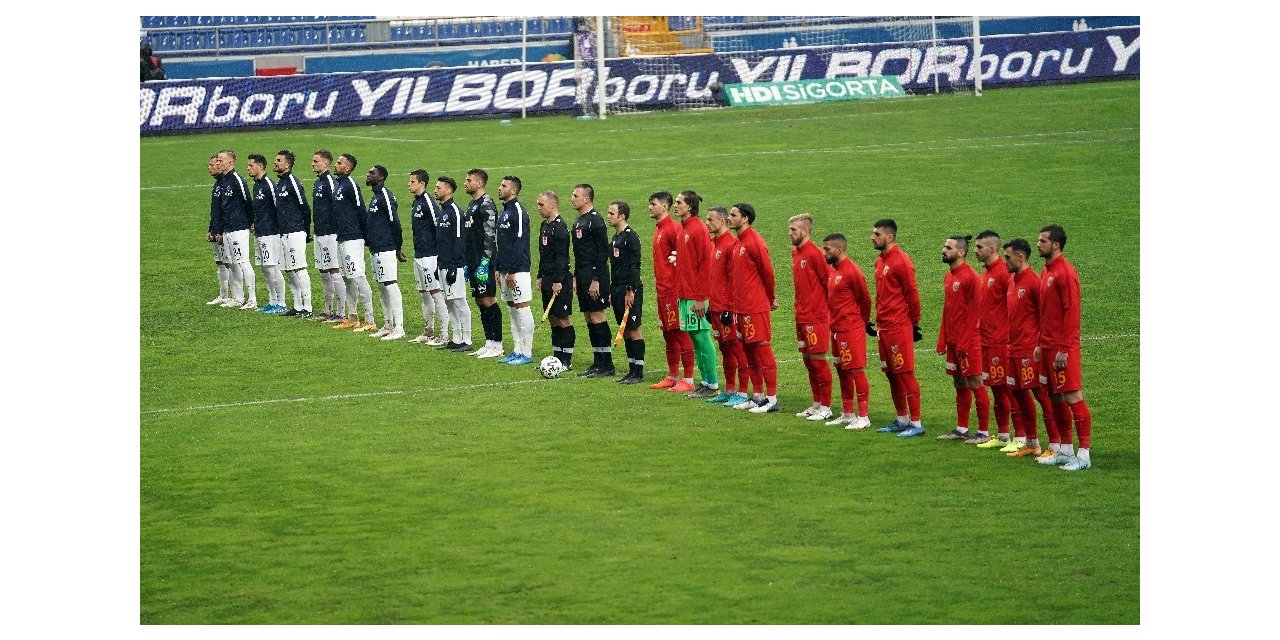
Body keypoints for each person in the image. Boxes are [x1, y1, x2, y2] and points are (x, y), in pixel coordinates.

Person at [1035, 224, 1093, 471]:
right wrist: (1040, 342)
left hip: (1062, 347)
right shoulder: (1046, 271)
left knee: (1072, 395)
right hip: (1047, 345)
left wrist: (1063, 348)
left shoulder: (1065, 272)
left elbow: (1072, 312)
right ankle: (1065, 449)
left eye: (1043, 241)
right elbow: (1045, 313)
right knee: (1055, 396)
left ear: (1055, 245)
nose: (1038, 244)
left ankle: (1084, 454)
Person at [933, 235, 991, 443]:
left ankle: (984, 432)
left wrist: (965, 342)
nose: (943, 250)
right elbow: (947, 311)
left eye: (948, 247)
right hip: (954, 341)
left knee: (976, 382)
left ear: (961, 252)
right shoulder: (949, 277)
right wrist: (943, 339)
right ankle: (962, 428)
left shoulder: (970, 277)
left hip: (969, 342)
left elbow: (976, 312)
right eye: (944, 246)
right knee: (959, 383)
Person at [870, 219, 925, 437]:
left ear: (889, 237)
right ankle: (902, 419)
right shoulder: (880, 261)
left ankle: (917, 423)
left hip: (898, 326)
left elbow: (912, 294)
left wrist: (914, 323)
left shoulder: (901, 261)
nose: (872, 237)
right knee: (891, 374)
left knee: (905, 373)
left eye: (877, 234)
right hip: (883, 326)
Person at [1002, 238, 1057, 458]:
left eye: (1007, 257)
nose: (1004, 261)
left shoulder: (1034, 282)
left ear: (1020, 257)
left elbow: (1046, 315)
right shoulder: (1012, 281)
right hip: (1013, 348)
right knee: (1018, 393)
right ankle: (1032, 443)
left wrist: (1039, 344)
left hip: (1029, 350)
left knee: (1040, 395)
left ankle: (1055, 444)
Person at [727, 203, 780, 414]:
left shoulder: (754, 241)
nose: (729, 218)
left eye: (733, 215)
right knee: (748, 351)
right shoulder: (739, 242)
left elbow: (767, 272)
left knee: (761, 349)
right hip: (740, 307)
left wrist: (770, 297)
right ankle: (757, 395)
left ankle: (772, 398)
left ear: (746, 218)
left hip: (754, 306)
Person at [820, 233, 874, 429]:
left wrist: (863, 322)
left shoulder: (852, 271)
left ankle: (864, 417)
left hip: (851, 328)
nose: (824, 253)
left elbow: (865, 299)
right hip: (836, 328)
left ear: (839, 249)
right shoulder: (834, 271)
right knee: (841, 370)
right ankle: (848, 412)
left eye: (827, 249)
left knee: (855, 371)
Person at [973, 230, 1017, 451]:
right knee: (996, 389)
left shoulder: (1002, 272)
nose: (975, 251)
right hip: (987, 340)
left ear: (992, 249)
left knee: (1005, 390)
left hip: (1000, 341)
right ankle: (1002, 435)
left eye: (979, 247)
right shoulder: (987, 272)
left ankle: (1019, 437)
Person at [788, 213, 834, 422]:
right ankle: (816, 404)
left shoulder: (815, 254)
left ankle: (826, 406)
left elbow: (829, 283)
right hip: (802, 316)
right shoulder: (796, 253)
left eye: (793, 230)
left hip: (816, 317)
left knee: (818, 362)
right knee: (808, 361)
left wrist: (827, 311)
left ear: (805, 232)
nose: (790, 234)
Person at [673, 190, 719, 398]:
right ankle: (705, 382)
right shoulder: (684, 228)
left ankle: (712, 383)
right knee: (694, 337)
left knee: (702, 337)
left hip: (696, 296)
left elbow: (706, 265)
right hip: (685, 294)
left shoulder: (698, 229)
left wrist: (701, 298)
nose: (675, 205)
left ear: (689, 206)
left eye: (679, 202)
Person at [647, 191, 695, 390]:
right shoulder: (659, 229)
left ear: (664, 206)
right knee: (668, 333)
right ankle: (673, 375)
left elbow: (687, 256)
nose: (649, 207)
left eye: (653, 204)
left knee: (679, 332)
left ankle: (689, 380)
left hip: (674, 291)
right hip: (662, 290)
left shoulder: (673, 229)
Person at [705, 206, 749, 406]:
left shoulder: (730, 245)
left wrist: (729, 308)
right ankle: (729, 389)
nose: (707, 223)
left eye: (710, 219)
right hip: (716, 307)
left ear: (721, 221)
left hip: (726, 309)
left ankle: (742, 392)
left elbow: (734, 280)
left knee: (736, 349)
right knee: (724, 349)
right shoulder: (716, 244)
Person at [570, 184, 615, 378]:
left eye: (576, 195)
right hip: (582, 274)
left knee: (598, 316)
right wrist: (575, 276)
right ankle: (598, 361)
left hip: (595, 276)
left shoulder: (595, 221)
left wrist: (596, 279)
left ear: (587, 199)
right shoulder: (580, 220)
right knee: (589, 317)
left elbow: (602, 252)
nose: (572, 198)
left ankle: (607, 364)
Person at [331, 153, 376, 332]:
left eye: (339, 163)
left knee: (357, 276)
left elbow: (361, 210)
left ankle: (370, 319)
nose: (336, 165)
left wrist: (366, 236)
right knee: (347, 278)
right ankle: (352, 317)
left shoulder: (350, 185)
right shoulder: (339, 185)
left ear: (347, 168)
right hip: (341, 237)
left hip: (353, 237)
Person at [494, 176, 534, 365]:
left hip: (517, 270)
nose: (500, 188)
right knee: (512, 309)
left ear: (514, 191)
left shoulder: (518, 211)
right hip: (505, 269)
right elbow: (500, 243)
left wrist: (510, 271)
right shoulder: (504, 212)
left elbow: (520, 243)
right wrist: (497, 267)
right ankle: (517, 350)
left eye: (504, 186)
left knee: (522, 308)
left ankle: (526, 352)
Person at [463, 169, 503, 356]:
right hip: (473, 260)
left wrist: (485, 262)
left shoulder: (486, 204)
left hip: (483, 262)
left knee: (488, 300)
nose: (465, 183)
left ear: (479, 183)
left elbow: (490, 234)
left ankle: (497, 345)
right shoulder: (472, 204)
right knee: (480, 301)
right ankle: (489, 342)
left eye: (469, 180)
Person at [364, 165, 406, 340]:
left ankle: (399, 327)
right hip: (376, 247)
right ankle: (388, 324)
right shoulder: (376, 197)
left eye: (372, 173)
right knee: (382, 286)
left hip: (386, 247)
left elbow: (394, 222)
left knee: (390, 284)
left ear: (381, 177)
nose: (368, 175)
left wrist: (397, 247)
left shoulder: (386, 197)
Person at [406, 169, 448, 344]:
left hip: (430, 254)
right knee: (424, 294)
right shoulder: (416, 202)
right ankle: (428, 331)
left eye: (412, 182)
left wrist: (439, 252)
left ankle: (444, 334)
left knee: (436, 293)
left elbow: (438, 225)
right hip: (419, 253)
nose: (409, 184)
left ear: (422, 183)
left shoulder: (428, 202)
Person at [606, 201, 645, 383]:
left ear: (622, 216)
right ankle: (632, 369)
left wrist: (631, 290)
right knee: (626, 330)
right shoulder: (615, 238)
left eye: (612, 213)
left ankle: (638, 371)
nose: (608, 216)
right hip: (617, 288)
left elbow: (634, 265)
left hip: (630, 289)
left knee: (634, 329)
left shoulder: (630, 237)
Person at [536, 190, 575, 367]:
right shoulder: (545, 225)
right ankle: (557, 355)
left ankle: (566, 359)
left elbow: (562, 257)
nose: (539, 208)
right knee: (552, 317)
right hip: (547, 279)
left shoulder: (560, 227)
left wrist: (558, 281)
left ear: (552, 205)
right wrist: (539, 275)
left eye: (541, 204)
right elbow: (543, 255)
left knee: (563, 317)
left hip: (560, 280)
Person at [273, 150, 313, 317]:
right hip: (284, 233)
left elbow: (304, 206)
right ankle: (297, 306)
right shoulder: (280, 183)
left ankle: (308, 308)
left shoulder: (292, 182)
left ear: (287, 164)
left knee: (300, 268)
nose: (275, 163)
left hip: (295, 231)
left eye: (278, 160)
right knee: (289, 269)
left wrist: (304, 230)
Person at [245, 153, 287, 314]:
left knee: (272, 267)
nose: (248, 168)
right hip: (260, 232)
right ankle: (272, 300)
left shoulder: (269, 184)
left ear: (260, 166)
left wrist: (276, 227)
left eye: (251, 165)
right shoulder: (257, 185)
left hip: (271, 233)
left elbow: (278, 208)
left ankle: (281, 303)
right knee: (264, 267)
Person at [434, 176, 471, 350]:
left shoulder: (455, 211)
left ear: (448, 190)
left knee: (459, 301)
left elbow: (459, 240)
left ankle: (467, 339)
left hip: (453, 265)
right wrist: (438, 264)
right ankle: (456, 338)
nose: (435, 190)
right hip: (443, 263)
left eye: (438, 187)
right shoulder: (443, 211)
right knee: (449, 301)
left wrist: (455, 266)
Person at [216, 149, 256, 309]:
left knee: (244, 262)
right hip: (228, 228)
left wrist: (251, 221)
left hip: (239, 227)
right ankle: (238, 298)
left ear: (230, 162)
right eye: (217, 161)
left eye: (221, 161)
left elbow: (247, 200)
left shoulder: (237, 179)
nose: (218, 163)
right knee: (232, 263)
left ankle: (252, 299)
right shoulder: (224, 181)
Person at [311, 149, 345, 322]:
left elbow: (337, 207)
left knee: (334, 270)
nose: (312, 164)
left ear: (325, 163)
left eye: (316, 161)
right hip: (319, 232)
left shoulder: (330, 182)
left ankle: (341, 311)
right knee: (323, 271)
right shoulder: (318, 182)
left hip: (330, 234)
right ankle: (327, 309)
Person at [205, 154, 231, 306]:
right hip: (216, 230)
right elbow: (215, 211)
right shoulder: (217, 185)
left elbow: (225, 211)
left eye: (212, 164)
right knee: (220, 262)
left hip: (224, 231)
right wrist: (211, 229)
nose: (210, 167)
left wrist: (220, 231)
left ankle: (233, 296)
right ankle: (223, 295)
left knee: (229, 263)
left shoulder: (225, 184)